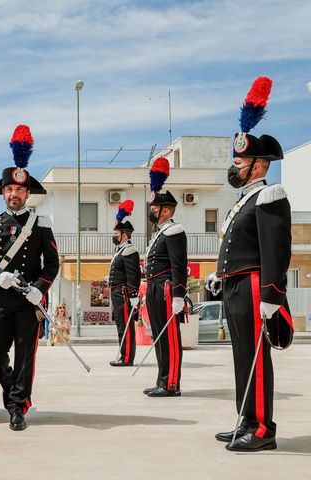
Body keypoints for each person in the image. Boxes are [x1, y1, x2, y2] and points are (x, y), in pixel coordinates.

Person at [206, 76, 293, 452]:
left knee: (256, 358)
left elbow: (276, 249)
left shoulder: (269, 195)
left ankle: (262, 430)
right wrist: (217, 275)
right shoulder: (244, 201)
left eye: (239, 161)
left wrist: (273, 293)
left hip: (257, 286)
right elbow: (237, 247)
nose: (234, 167)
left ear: (257, 166)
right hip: (236, 285)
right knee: (242, 355)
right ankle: (246, 417)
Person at [0, 125, 60, 431]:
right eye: (9, 190)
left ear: (27, 193)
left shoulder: (41, 224)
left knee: (25, 356)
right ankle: (10, 390)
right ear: (4, 192)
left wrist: (39, 288)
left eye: (19, 190)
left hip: (28, 302)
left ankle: (18, 406)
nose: (14, 194)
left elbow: (51, 264)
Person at [142, 157, 188, 397]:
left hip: (167, 290)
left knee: (169, 337)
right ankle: (162, 379)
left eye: (154, 209)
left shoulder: (174, 230)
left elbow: (179, 265)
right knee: (159, 336)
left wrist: (179, 294)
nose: (152, 212)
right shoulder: (159, 233)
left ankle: (171, 384)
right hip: (154, 288)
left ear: (167, 210)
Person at [109, 200, 141, 366]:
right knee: (121, 325)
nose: (114, 237)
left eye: (116, 234)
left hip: (123, 294)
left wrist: (134, 295)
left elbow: (133, 275)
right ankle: (123, 355)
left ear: (125, 235)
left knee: (126, 327)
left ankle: (127, 357)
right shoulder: (120, 250)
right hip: (116, 292)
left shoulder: (129, 250)